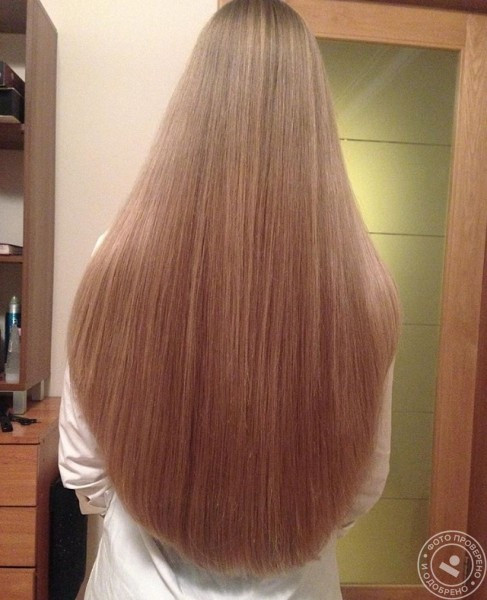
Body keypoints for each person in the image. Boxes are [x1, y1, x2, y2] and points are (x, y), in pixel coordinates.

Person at [59, 0, 401, 598]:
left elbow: (81, 466)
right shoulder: (363, 284)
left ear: (192, 107)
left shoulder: (118, 258)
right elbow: (363, 486)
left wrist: (152, 513)